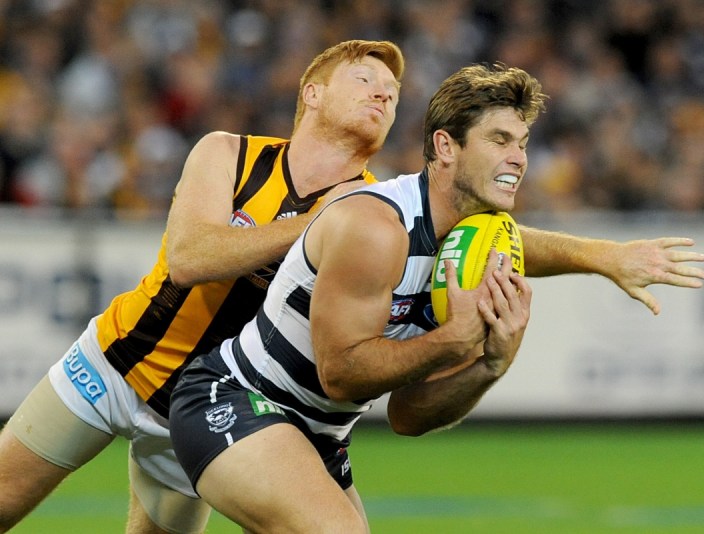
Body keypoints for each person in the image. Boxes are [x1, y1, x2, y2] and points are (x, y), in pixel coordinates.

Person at [0, 40, 704, 534]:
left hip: (236, 401)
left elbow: (494, 240)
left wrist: (602, 258)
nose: (382, 91)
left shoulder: (375, 208)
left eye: (392, 91)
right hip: (125, 364)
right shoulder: (242, 158)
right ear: (311, 93)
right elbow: (189, 258)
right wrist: (322, 224)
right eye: (364, 78)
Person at [164, 61, 654, 532]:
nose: (519, 159)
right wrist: (455, 340)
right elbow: (340, 375)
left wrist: (489, 364)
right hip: (234, 399)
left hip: (321, 436)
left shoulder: (474, 241)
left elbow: (406, 417)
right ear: (445, 146)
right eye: (500, 140)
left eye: (523, 144)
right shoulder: (377, 227)